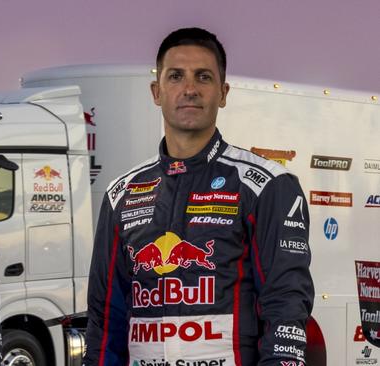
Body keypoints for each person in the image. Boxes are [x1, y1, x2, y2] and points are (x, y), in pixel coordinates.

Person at [83, 27, 314, 366]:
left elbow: (285, 304)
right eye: (176, 76)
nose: (189, 89)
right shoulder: (122, 193)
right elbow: (105, 318)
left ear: (222, 93)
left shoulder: (266, 185)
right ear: (156, 92)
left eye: (203, 77)